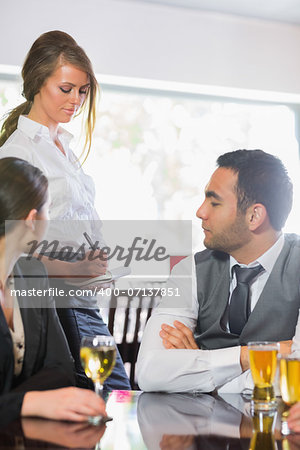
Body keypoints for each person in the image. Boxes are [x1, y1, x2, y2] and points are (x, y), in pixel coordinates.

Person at [0, 30, 130, 390]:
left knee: (107, 403)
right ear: (38, 82)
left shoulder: (64, 148)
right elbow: (13, 251)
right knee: (112, 399)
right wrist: (74, 268)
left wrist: (95, 258)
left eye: (83, 90)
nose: (76, 99)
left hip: (83, 300)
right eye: (66, 88)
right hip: (57, 305)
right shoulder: (19, 153)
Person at [137, 149, 300, 393]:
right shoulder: (188, 269)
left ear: (254, 216)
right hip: (198, 429)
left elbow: (294, 381)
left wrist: (200, 372)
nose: (201, 212)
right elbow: (150, 372)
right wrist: (252, 357)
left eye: (214, 202)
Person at [0, 157, 106, 424]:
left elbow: (61, 367)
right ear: (32, 219)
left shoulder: (33, 274)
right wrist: (28, 402)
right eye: (48, 210)